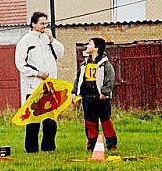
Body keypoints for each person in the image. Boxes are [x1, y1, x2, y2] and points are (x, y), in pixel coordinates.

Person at [14, 11, 65, 153]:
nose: (45, 26)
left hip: (50, 87)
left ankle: (48, 147)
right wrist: (37, 73)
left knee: (50, 120)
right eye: (42, 23)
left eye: (46, 23)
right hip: (33, 87)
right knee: (33, 120)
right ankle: (31, 149)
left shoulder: (47, 39)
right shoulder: (25, 41)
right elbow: (20, 64)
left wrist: (52, 39)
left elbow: (60, 53)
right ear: (33, 24)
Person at [72, 38, 118, 151]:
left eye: (90, 44)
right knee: (90, 122)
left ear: (96, 48)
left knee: (106, 121)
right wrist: (74, 92)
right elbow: (78, 78)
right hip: (87, 97)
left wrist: (105, 92)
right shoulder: (84, 64)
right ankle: (92, 143)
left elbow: (110, 77)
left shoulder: (105, 63)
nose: (87, 45)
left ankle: (111, 143)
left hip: (101, 98)